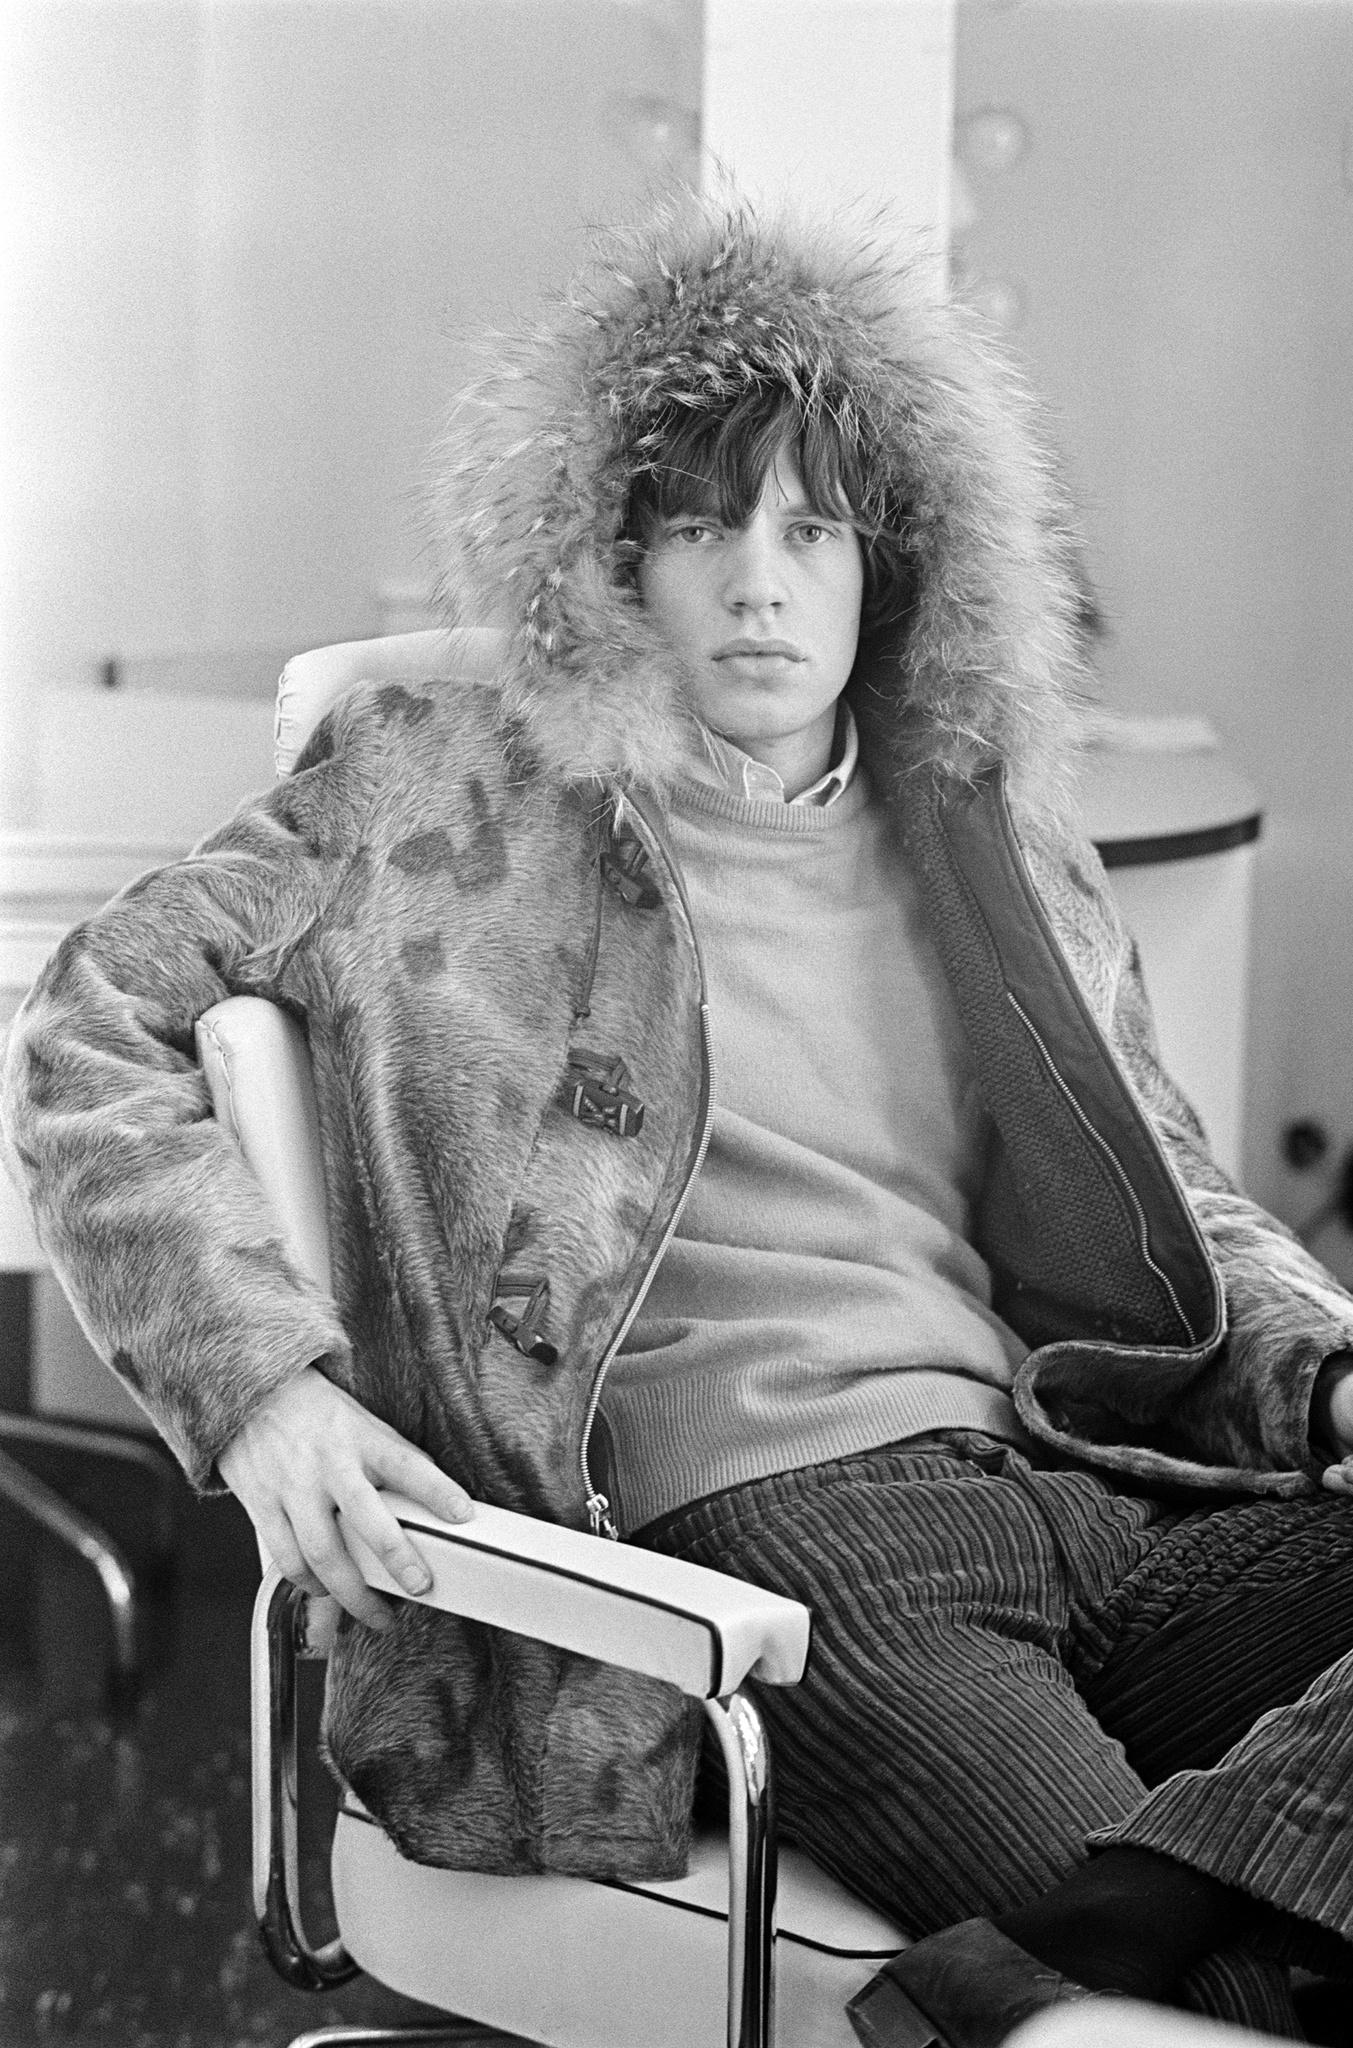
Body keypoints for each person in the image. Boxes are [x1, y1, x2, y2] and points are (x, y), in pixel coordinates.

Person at [5, 192, 1353, 2042]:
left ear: (893, 560)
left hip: (1078, 1483)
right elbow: (93, 1016)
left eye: (811, 529)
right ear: (607, 561)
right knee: (1225, 1996)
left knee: (1197, 1926)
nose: (757, 585)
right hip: (799, 1546)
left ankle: (1057, 1947)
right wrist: (261, 1389)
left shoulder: (986, 825)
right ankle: (1119, 1937)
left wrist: (1325, 1375)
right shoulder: (441, 790)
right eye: (699, 528)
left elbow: (1178, 1199)